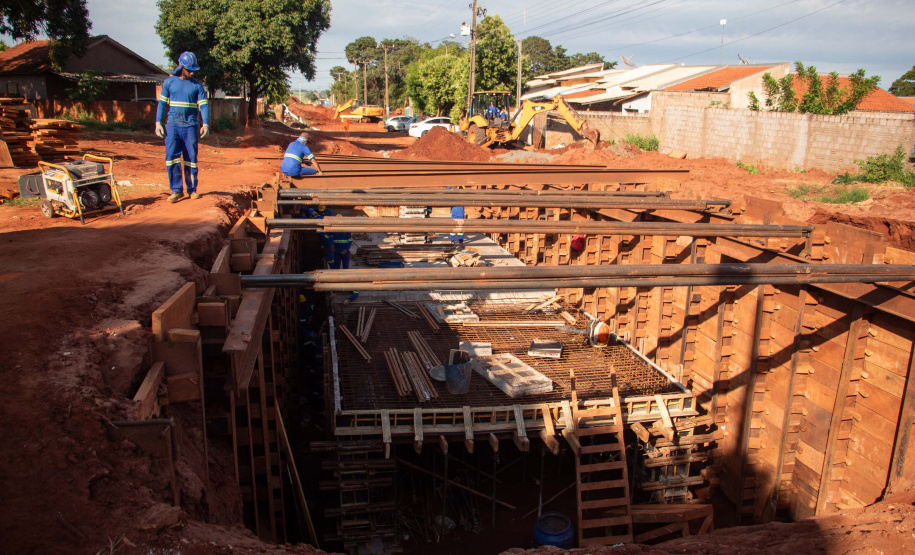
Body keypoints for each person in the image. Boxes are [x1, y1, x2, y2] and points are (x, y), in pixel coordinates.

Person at [155, 51, 210, 203]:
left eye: (194, 70)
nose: (192, 72)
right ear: (181, 66)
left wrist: (205, 123)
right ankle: (176, 190)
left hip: (190, 126)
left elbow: (204, 106)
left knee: (191, 159)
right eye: (189, 69)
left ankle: (192, 190)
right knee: (172, 158)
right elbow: (162, 104)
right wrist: (158, 122)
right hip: (172, 126)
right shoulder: (169, 83)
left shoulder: (197, 86)